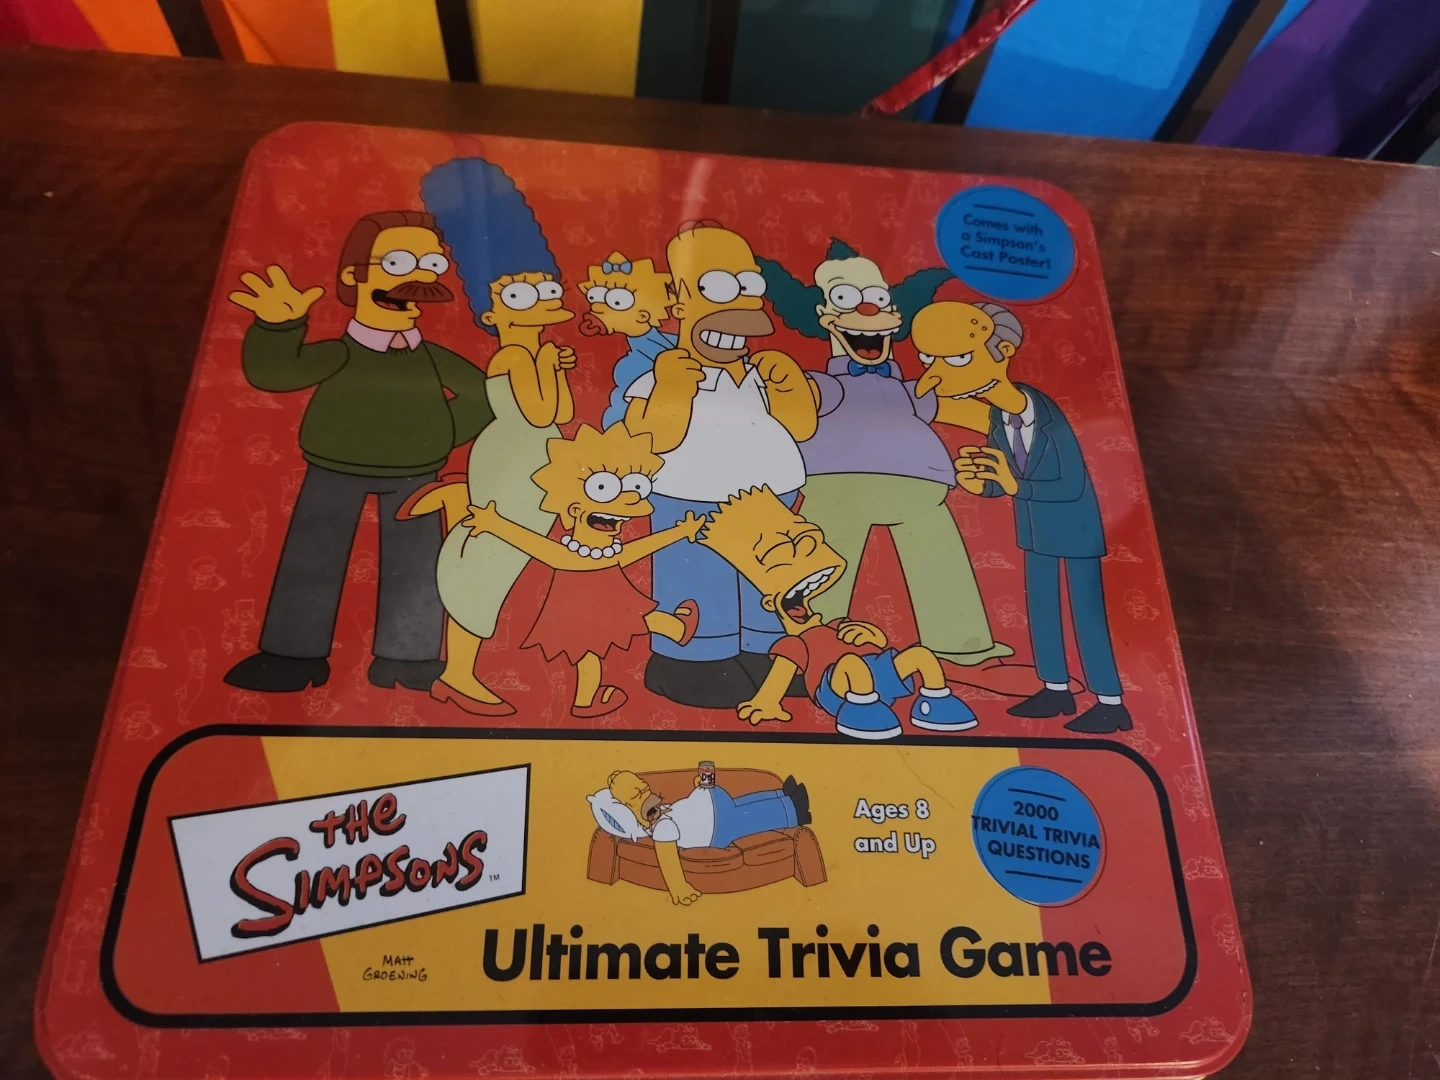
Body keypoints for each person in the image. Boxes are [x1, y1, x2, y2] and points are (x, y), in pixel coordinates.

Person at [223, 210, 490, 694]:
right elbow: (275, 376)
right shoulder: (343, 353)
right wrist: (280, 327)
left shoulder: (429, 357)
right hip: (333, 468)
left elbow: (484, 396)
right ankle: (290, 656)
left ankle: (409, 658)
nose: (418, 279)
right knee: (313, 556)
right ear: (353, 276)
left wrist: (437, 434)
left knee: (417, 564)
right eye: (400, 262)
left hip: (416, 473)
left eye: (430, 264)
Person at [759, 240, 1023, 692]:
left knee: (939, 557)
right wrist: (786, 384)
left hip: (919, 484)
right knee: (822, 562)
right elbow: (803, 402)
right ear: (824, 317)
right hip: (837, 482)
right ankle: (811, 647)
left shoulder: (906, 387)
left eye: (878, 298)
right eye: (846, 298)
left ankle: (962, 644)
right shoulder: (828, 383)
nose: (867, 310)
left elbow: (942, 409)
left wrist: (1007, 420)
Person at [402, 159, 578, 716]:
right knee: (490, 564)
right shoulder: (513, 356)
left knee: (508, 564)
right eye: (521, 294)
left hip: (537, 463)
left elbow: (561, 413)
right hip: (512, 461)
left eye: (544, 287)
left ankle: (462, 667)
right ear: (492, 311)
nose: (541, 298)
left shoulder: (535, 352)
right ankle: (458, 673)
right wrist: (548, 365)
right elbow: (538, 411)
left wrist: (554, 369)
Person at [620, 222, 818, 709]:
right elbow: (648, 439)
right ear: (679, 301)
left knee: (770, 578)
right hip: (689, 498)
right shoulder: (662, 374)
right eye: (715, 287)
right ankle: (693, 664)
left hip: (769, 498)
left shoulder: (760, 372)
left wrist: (789, 386)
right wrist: (671, 389)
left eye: (747, 286)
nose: (739, 309)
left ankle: (769, 658)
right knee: (697, 582)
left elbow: (800, 427)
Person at [913, 301, 1131, 734]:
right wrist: (981, 483)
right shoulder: (998, 417)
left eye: (956, 358)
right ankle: (1055, 689)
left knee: (1085, 614)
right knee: (1042, 609)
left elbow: (1069, 484)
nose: (936, 375)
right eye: (929, 360)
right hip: (1034, 532)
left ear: (1003, 352)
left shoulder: (1051, 418)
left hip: (1077, 532)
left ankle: (1110, 702)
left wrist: (1012, 485)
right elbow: (1004, 480)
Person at [461, 423, 704, 718]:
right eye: (605, 488)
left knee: (602, 640)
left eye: (636, 488)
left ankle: (588, 699)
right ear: (574, 509)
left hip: (601, 604)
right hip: (582, 609)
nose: (629, 501)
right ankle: (667, 634)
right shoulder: (568, 556)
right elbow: (535, 545)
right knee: (606, 636)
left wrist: (680, 532)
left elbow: (637, 549)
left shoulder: (605, 551)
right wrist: (495, 524)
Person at [700, 485, 977, 740]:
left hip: (876, 672)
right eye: (781, 551)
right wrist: (766, 702)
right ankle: (862, 712)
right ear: (770, 603)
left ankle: (935, 704)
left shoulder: (836, 625)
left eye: (808, 536)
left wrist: (871, 635)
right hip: (837, 689)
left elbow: (879, 644)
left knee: (921, 656)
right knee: (852, 665)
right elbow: (781, 674)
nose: (807, 545)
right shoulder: (795, 644)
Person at [595, 770, 811, 905]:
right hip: (717, 826)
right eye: (637, 795)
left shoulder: (660, 810)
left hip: (713, 803)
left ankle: (782, 795)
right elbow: (667, 858)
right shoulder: (661, 828)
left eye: (644, 789)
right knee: (747, 817)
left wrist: (699, 787)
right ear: (625, 811)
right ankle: (793, 809)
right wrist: (678, 888)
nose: (646, 795)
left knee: (742, 804)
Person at [575, 252, 678, 429]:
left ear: (643, 315)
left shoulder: (674, 345)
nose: (598, 308)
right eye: (594, 297)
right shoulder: (629, 364)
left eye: (616, 301)